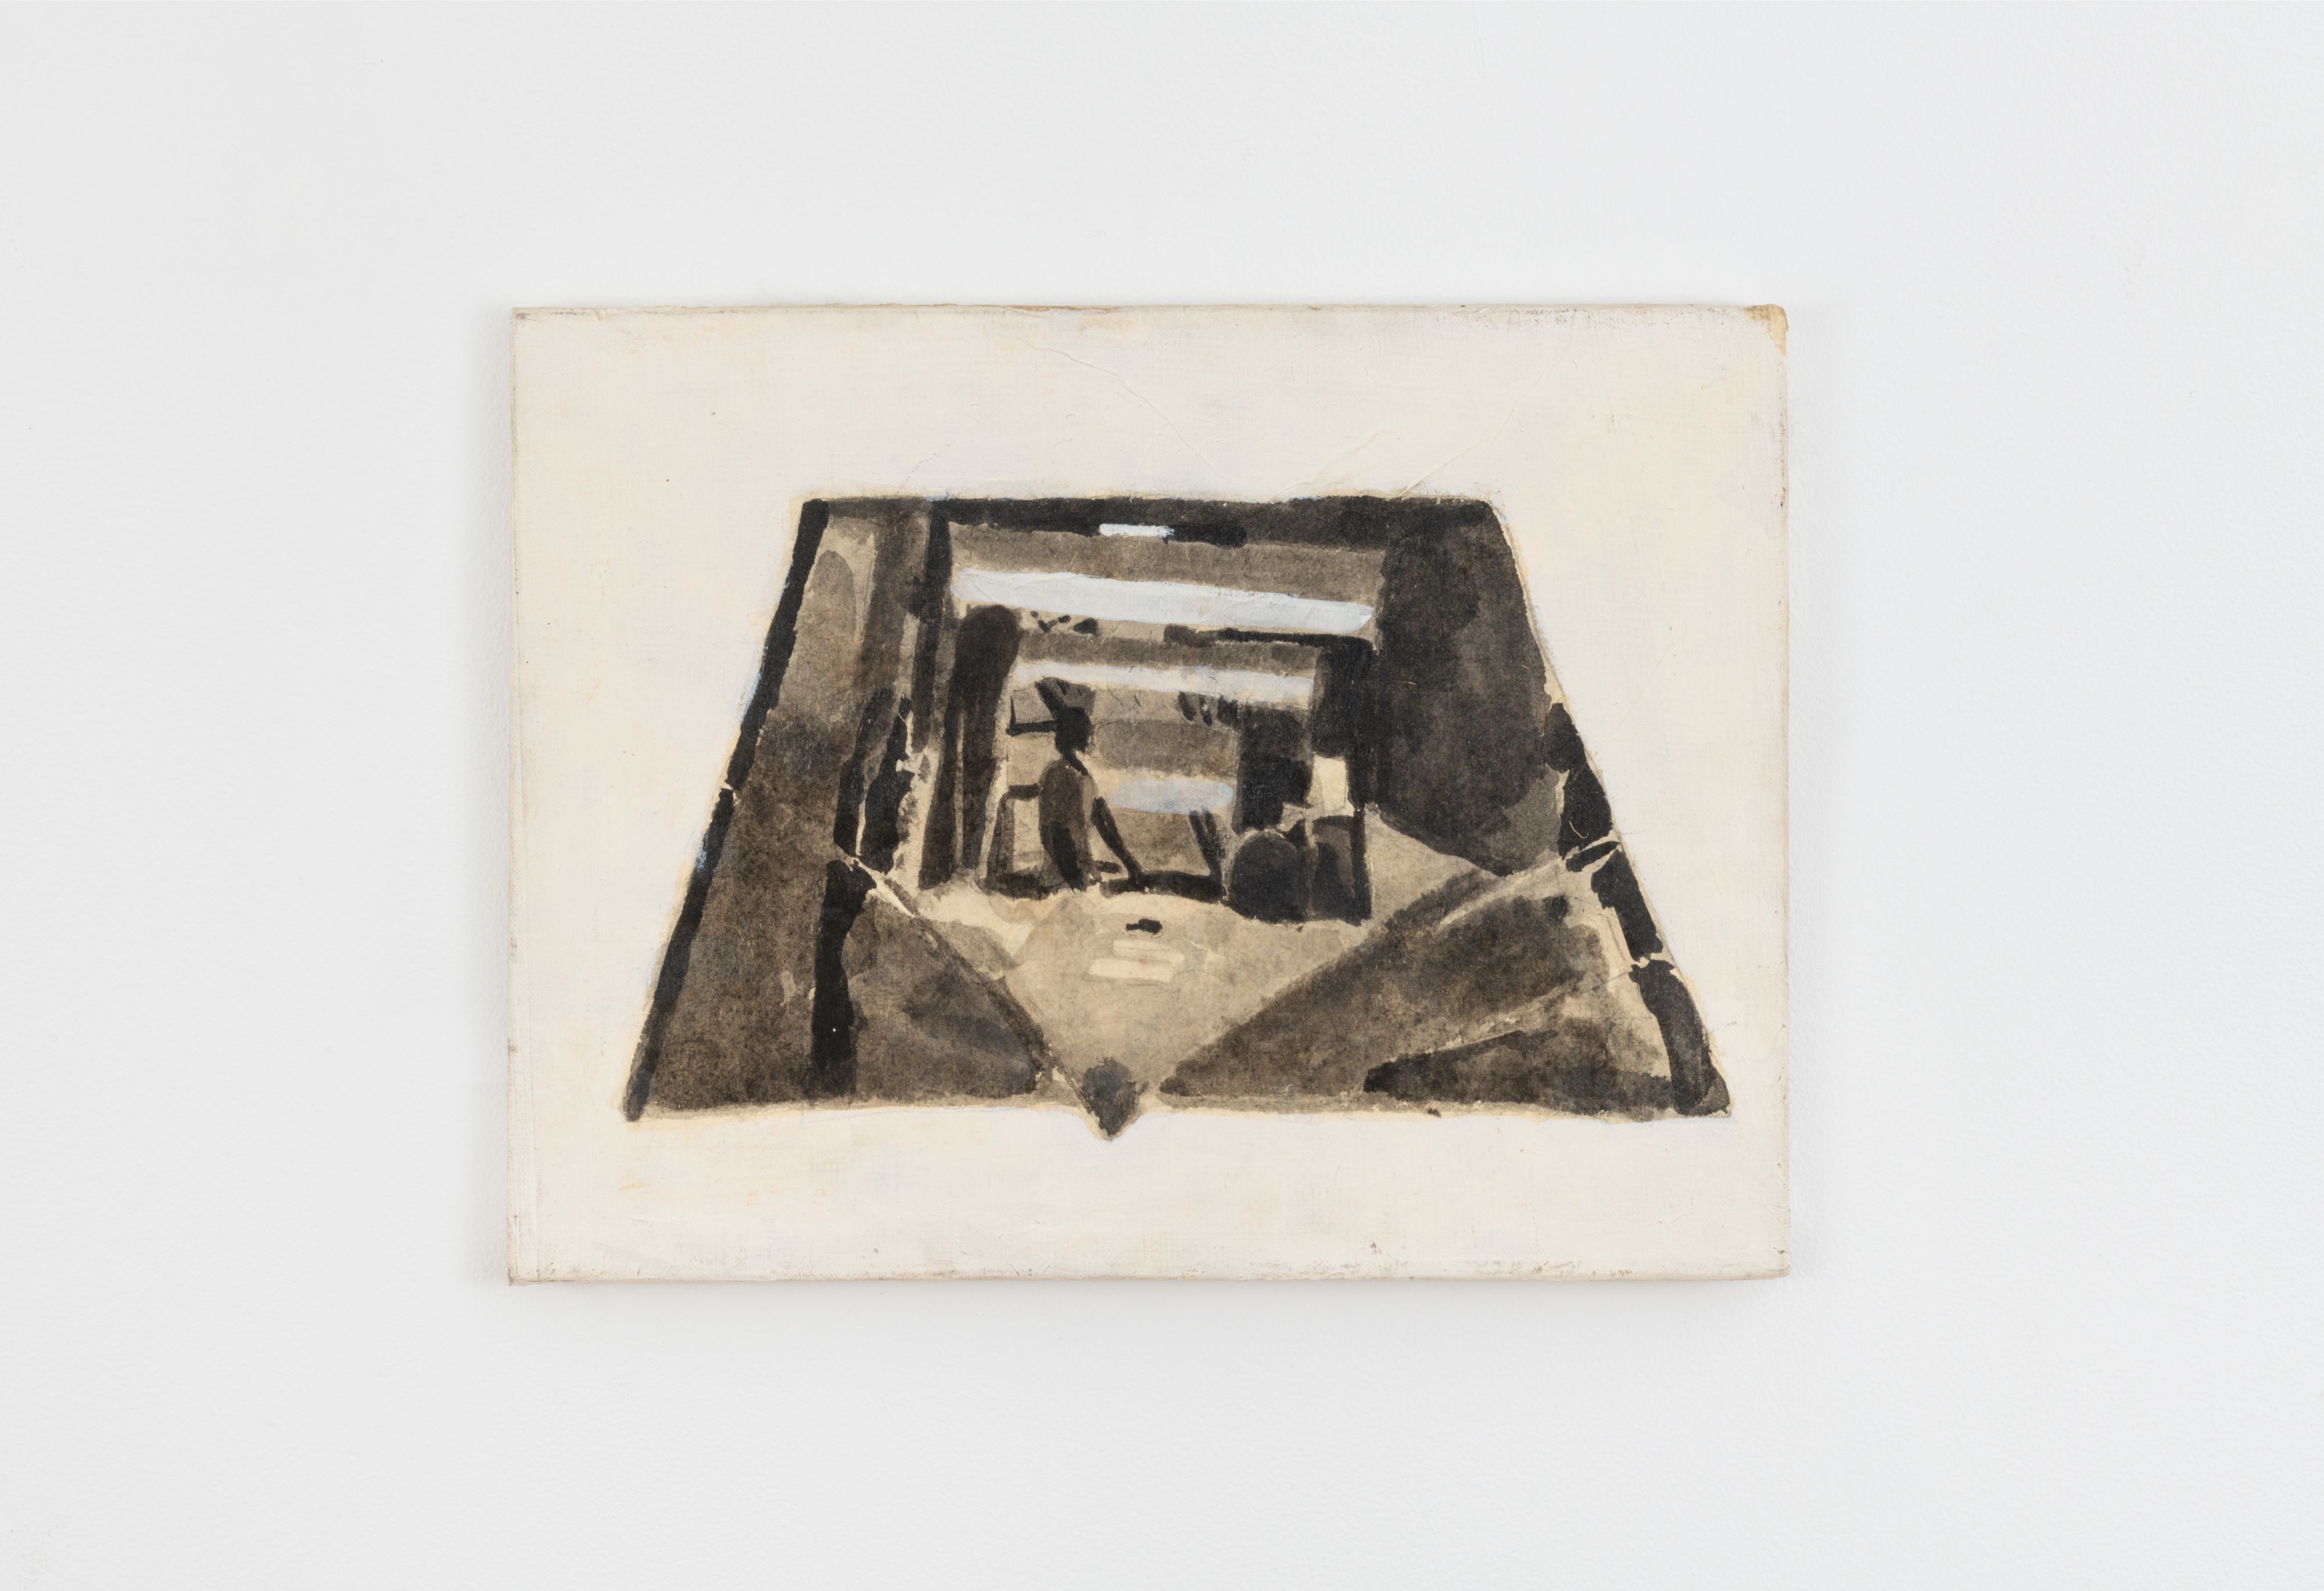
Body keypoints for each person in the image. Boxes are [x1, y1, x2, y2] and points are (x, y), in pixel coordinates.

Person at [1036, 704, 1143, 890]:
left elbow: (1101, 820)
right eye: (1087, 730)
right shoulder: (1060, 775)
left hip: (1080, 872)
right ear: (1077, 734)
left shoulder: (1083, 776)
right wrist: (1076, 878)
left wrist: (1128, 861)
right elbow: (1054, 831)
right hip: (1062, 880)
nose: (1091, 735)